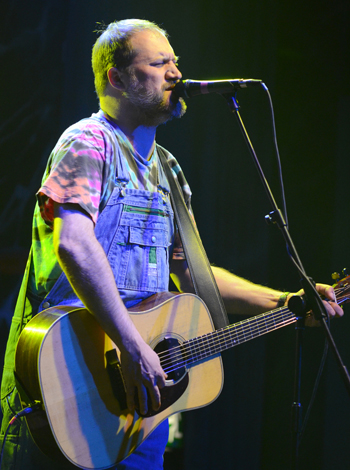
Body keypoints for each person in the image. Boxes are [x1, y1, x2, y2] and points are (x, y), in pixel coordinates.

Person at [0, 19, 343, 470]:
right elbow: (75, 246)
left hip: (141, 413)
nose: (176, 73)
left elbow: (192, 274)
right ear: (116, 78)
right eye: (159, 63)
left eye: (175, 61)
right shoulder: (88, 142)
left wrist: (286, 301)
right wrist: (132, 345)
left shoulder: (168, 170)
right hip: (65, 390)